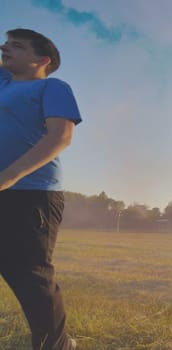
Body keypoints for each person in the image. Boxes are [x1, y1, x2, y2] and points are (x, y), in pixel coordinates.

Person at [0, 28, 81, 350]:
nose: (5, 48)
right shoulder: (3, 84)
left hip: (32, 192)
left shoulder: (53, 86)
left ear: (42, 60)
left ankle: (56, 345)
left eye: (16, 46)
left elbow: (60, 136)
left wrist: (9, 175)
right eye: (6, 43)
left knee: (30, 276)